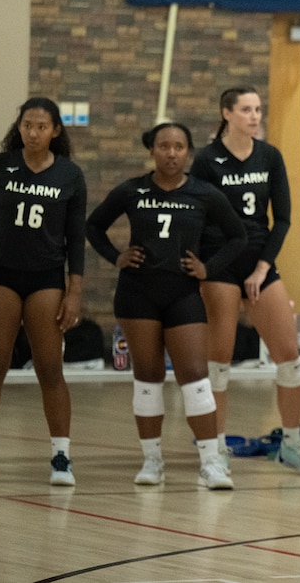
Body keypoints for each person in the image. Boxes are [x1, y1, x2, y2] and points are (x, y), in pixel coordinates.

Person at [86, 122, 246, 489]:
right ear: (152, 151)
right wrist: (116, 256)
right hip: (137, 294)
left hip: (183, 294)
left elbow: (238, 237)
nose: (171, 153)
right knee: (148, 377)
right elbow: (93, 227)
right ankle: (152, 460)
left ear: (188, 152)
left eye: (178, 146)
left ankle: (210, 464)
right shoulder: (132, 190)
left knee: (195, 376)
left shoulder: (205, 193)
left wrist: (209, 268)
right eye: (164, 146)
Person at [189, 86, 300, 473]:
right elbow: (195, 217)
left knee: (289, 358)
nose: (254, 116)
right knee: (220, 361)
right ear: (226, 113)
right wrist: (202, 270)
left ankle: (292, 444)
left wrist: (263, 268)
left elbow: (282, 219)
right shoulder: (207, 160)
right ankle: (214, 449)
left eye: (258, 109)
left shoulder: (270, 156)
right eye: (246, 109)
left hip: (259, 263)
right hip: (220, 266)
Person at [0, 97, 86, 486]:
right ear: (19, 127)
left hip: (46, 278)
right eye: (26, 125)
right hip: (1, 276)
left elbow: (76, 238)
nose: (32, 132)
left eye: (41, 126)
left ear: (55, 131)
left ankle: (61, 455)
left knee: (50, 368)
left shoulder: (70, 175)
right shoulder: (0, 167)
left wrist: (74, 291)